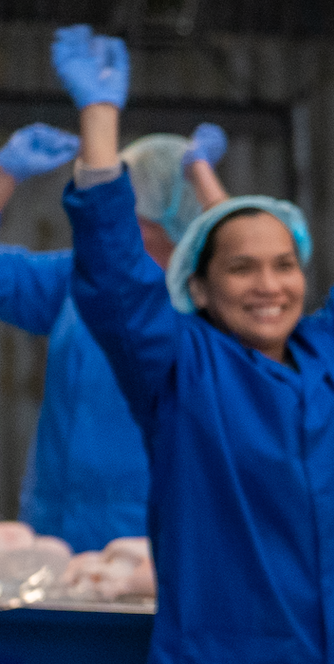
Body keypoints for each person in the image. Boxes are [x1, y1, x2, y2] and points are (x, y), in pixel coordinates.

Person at [54, 3, 334, 664]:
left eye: (284, 263)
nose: (269, 284)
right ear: (197, 286)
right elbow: (109, 273)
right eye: (241, 266)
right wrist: (99, 124)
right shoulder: (175, 365)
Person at [0, 120, 230, 551]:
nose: (111, 222)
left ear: (168, 220)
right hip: (52, 529)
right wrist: (4, 174)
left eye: (130, 211)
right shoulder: (79, 280)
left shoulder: (208, 306)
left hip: (154, 541)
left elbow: (242, 255)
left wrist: (203, 182)